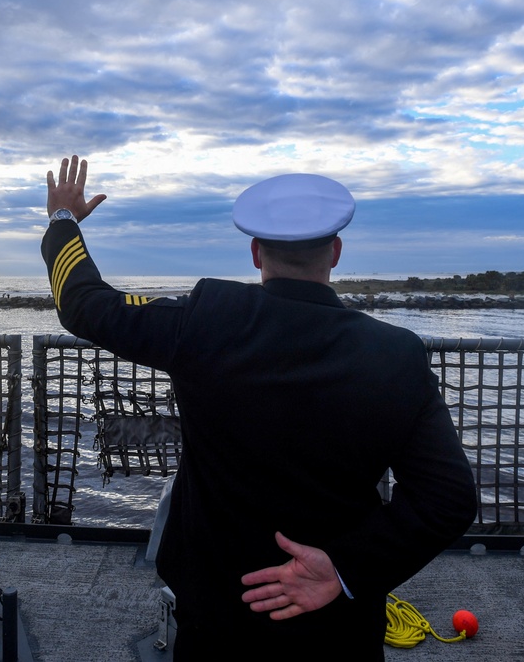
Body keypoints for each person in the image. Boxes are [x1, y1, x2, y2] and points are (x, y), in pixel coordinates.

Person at [40, 155, 477, 658]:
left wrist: (62, 221)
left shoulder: (207, 320)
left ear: (254, 252)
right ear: (335, 252)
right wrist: (343, 569)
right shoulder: (396, 353)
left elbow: (85, 305)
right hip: (336, 625)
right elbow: (448, 498)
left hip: (217, 616)